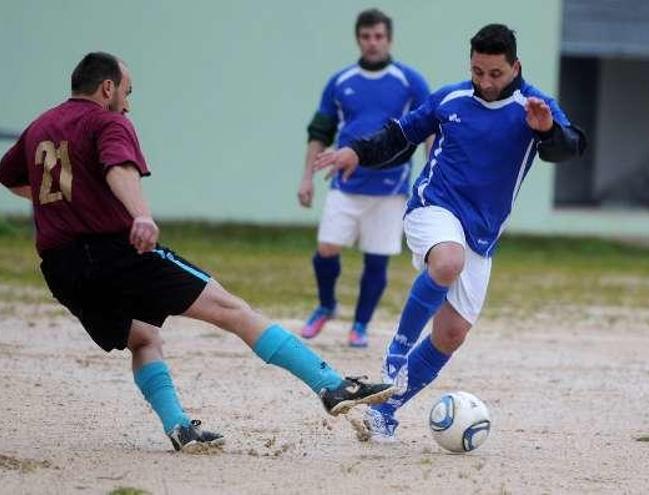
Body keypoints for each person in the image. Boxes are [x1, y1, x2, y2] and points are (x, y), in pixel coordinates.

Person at [0, 52, 393, 453]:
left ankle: (179, 428)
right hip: (114, 253)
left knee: (144, 337)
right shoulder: (108, 121)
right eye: (127, 91)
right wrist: (141, 216)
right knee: (233, 309)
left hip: (63, 270)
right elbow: (119, 168)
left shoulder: (40, 127)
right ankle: (330, 384)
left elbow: (11, 176)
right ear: (107, 88)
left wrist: (70, 201)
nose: (128, 103)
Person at [315, 24, 586, 441]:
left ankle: (385, 410)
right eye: (478, 71)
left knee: (451, 334)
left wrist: (547, 130)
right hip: (433, 208)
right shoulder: (450, 98)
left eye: (495, 73)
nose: (485, 81)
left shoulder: (534, 106)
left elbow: (568, 147)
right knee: (447, 261)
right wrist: (356, 150)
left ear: (516, 66)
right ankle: (394, 357)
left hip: (482, 233)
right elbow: (399, 134)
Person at [298, 8, 431, 348]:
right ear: (358, 38)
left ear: (389, 39)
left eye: (379, 37)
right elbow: (319, 132)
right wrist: (306, 179)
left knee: (376, 257)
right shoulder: (340, 81)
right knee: (326, 248)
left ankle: (360, 325)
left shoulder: (410, 81)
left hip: (391, 188)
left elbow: (429, 130)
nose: (373, 43)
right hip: (345, 183)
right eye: (366, 36)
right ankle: (326, 306)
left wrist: (432, 176)